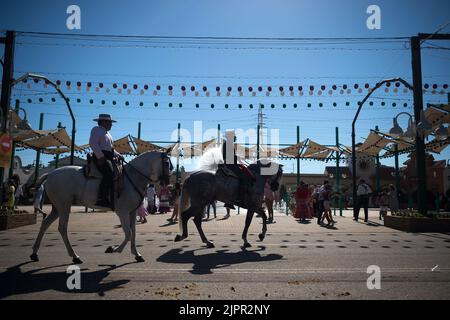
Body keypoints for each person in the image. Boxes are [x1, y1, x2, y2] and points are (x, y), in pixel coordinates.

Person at [89, 113, 123, 209]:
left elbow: (111, 149)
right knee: (109, 173)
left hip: (108, 156)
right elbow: (93, 143)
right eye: (110, 122)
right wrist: (100, 156)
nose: (111, 124)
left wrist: (119, 155)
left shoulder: (108, 134)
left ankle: (112, 198)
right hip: (100, 156)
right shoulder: (96, 130)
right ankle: (101, 198)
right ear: (103, 122)